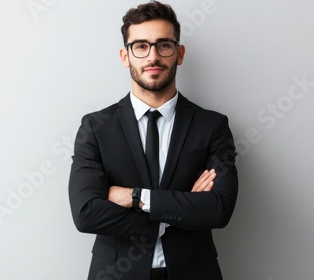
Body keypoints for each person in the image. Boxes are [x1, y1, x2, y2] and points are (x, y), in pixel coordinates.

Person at [68, 1, 238, 279]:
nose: (153, 57)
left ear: (179, 53)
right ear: (126, 56)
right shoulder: (96, 127)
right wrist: (180, 209)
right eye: (141, 46)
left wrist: (135, 197)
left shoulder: (213, 126)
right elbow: (86, 213)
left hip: (194, 272)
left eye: (164, 45)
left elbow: (218, 209)